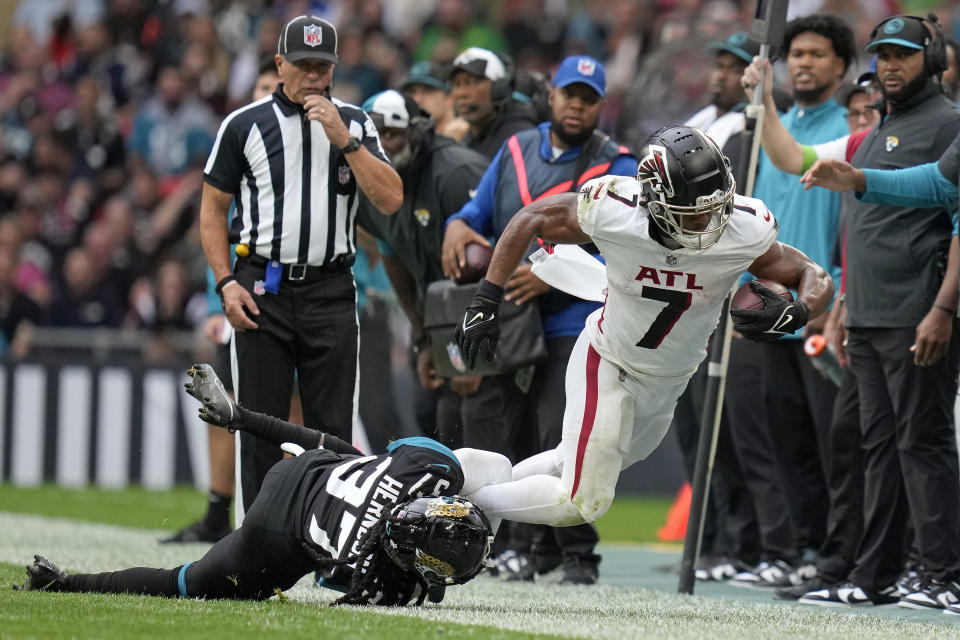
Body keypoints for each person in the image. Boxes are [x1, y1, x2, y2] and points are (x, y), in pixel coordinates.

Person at [454, 126, 833, 564]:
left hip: (671, 378)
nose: (708, 223)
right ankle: (471, 511)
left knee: (574, 463)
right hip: (610, 361)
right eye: (692, 213)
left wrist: (800, 311)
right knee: (583, 501)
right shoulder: (615, 211)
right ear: (655, 199)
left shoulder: (741, 229)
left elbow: (814, 274)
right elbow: (531, 217)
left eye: (716, 209)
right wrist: (487, 298)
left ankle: (481, 482)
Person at [743, 13, 960, 609]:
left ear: (933, 61)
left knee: (925, 442)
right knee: (878, 450)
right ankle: (877, 575)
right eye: (883, 55)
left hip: (917, 310)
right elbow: (791, 157)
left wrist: (943, 307)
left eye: (904, 55)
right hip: (865, 314)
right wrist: (763, 92)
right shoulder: (873, 132)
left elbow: (953, 205)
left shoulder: (950, 125)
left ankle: (943, 574)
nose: (891, 66)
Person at [15, 364, 503, 606]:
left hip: (303, 470)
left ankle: (66, 583)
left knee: (344, 456)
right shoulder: (378, 576)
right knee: (183, 583)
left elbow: (335, 447)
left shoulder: (421, 467)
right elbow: (337, 591)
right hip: (274, 532)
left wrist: (242, 419)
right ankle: (67, 583)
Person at [199, 15, 403, 522]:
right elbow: (210, 209)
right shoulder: (243, 124)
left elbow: (391, 198)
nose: (313, 77)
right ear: (279, 64)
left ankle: (329, 541)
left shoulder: (354, 122)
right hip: (260, 287)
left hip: (331, 289)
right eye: (303, 65)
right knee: (259, 423)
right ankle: (258, 545)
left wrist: (345, 140)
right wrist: (225, 282)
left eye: (322, 66)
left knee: (332, 429)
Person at [441, 55, 636, 584]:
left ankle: (578, 554)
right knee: (512, 433)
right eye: (570, 94)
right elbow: (476, 213)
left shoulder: (618, 165)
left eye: (589, 98)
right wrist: (457, 226)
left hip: (580, 318)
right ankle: (523, 548)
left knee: (563, 433)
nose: (577, 105)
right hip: (514, 319)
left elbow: (632, 252)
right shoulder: (516, 151)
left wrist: (556, 273)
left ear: (600, 105)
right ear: (551, 96)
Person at [725, 14, 855, 589]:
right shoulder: (765, 132)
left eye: (818, 54)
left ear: (842, 66)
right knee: (782, 442)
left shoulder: (846, 128)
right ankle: (798, 551)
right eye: (797, 52)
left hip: (826, 311)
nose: (804, 62)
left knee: (833, 445)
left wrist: (840, 294)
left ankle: (837, 555)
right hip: (771, 313)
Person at [164, 60, 280, 544]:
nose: (269, 95)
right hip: (240, 293)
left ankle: (288, 510)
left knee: (290, 410)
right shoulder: (240, 152)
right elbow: (220, 228)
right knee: (222, 400)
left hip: (292, 295)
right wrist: (217, 305)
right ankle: (218, 509)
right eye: (262, 88)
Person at [354, 90, 488, 440]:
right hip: (440, 315)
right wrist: (423, 338)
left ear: (414, 131)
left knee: (471, 422)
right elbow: (392, 255)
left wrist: (477, 351)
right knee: (428, 411)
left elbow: (493, 260)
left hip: (492, 314)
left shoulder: (455, 172)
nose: (383, 145)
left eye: (392, 134)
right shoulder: (371, 189)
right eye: (374, 136)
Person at [449, 47, 537, 159]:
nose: (462, 93)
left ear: (499, 88)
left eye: (472, 82)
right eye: (457, 84)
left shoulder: (520, 136)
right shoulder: (464, 138)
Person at [399, 60, 468, 142]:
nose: (417, 99)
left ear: (450, 98)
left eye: (427, 91)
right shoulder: (406, 142)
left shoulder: (471, 135)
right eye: (412, 92)